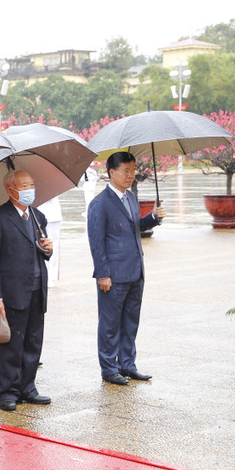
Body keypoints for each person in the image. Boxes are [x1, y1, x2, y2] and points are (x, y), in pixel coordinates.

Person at [87, 152, 165, 385]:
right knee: (110, 324)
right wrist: (103, 274)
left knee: (131, 321)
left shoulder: (130, 198)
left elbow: (134, 228)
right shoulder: (99, 204)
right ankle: (109, 368)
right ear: (112, 172)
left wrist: (152, 217)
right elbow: (96, 241)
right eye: (125, 171)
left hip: (135, 271)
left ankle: (127, 365)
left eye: (133, 171)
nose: (130, 175)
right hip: (113, 275)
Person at [0, 171, 53, 412]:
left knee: (34, 340)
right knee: (12, 342)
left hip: (37, 288)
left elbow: (42, 250)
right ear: (10, 190)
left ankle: (27, 387)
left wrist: (48, 249)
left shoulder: (37, 215)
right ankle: (7, 391)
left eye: (32, 184)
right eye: (24, 185)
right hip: (12, 292)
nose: (29, 189)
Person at [38, 195, 62, 287]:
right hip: (36, 214)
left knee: (52, 245)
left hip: (52, 215)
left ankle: (51, 277)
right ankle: (43, 275)